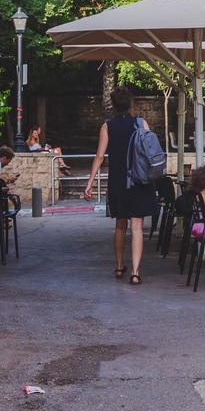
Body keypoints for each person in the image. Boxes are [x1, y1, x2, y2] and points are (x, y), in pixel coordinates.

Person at [84, 87, 159, 285]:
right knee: (137, 227)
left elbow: (99, 157)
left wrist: (90, 183)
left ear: (114, 105)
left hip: (118, 182)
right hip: (139, 180)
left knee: (120, 225)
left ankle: (119, 267)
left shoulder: (107, 127)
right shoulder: (141, 123)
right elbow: (151, 151)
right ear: (130, 104)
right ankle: (135, 272)